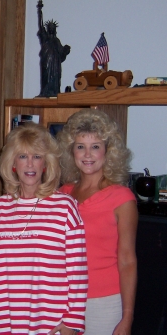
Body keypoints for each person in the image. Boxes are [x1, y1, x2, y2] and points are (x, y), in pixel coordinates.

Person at [0, 122, 88, 334]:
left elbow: (78, 273)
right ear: (13, 163)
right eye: (23, 157)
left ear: (46, 163)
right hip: (9, 322)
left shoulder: (65, 207)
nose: (30, 164)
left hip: (53, 324)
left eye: (37, 156)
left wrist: (72, 322)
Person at [57, 109, 138, 335]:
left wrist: (128, 316)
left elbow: (127, 261)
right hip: (64, 301)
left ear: (107, 151)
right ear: (71, 151)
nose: (87, 154)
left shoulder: (122, 198)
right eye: (80, 146)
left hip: (105, 303)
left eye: (95, 146)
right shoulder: (63, 194)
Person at [36, 0, 70, 97]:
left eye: (52, 27)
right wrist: (40, 11)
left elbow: (61, 54)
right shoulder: (45, 37)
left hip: (55, 63)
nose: (51, 28)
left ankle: (54, 92)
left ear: (55, 29)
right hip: (47, 59)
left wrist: (66, 51)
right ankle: (45, 92)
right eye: (49, 27)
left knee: (55, 77)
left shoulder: (56, 40)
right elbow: (41, 25)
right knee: (46, 76)